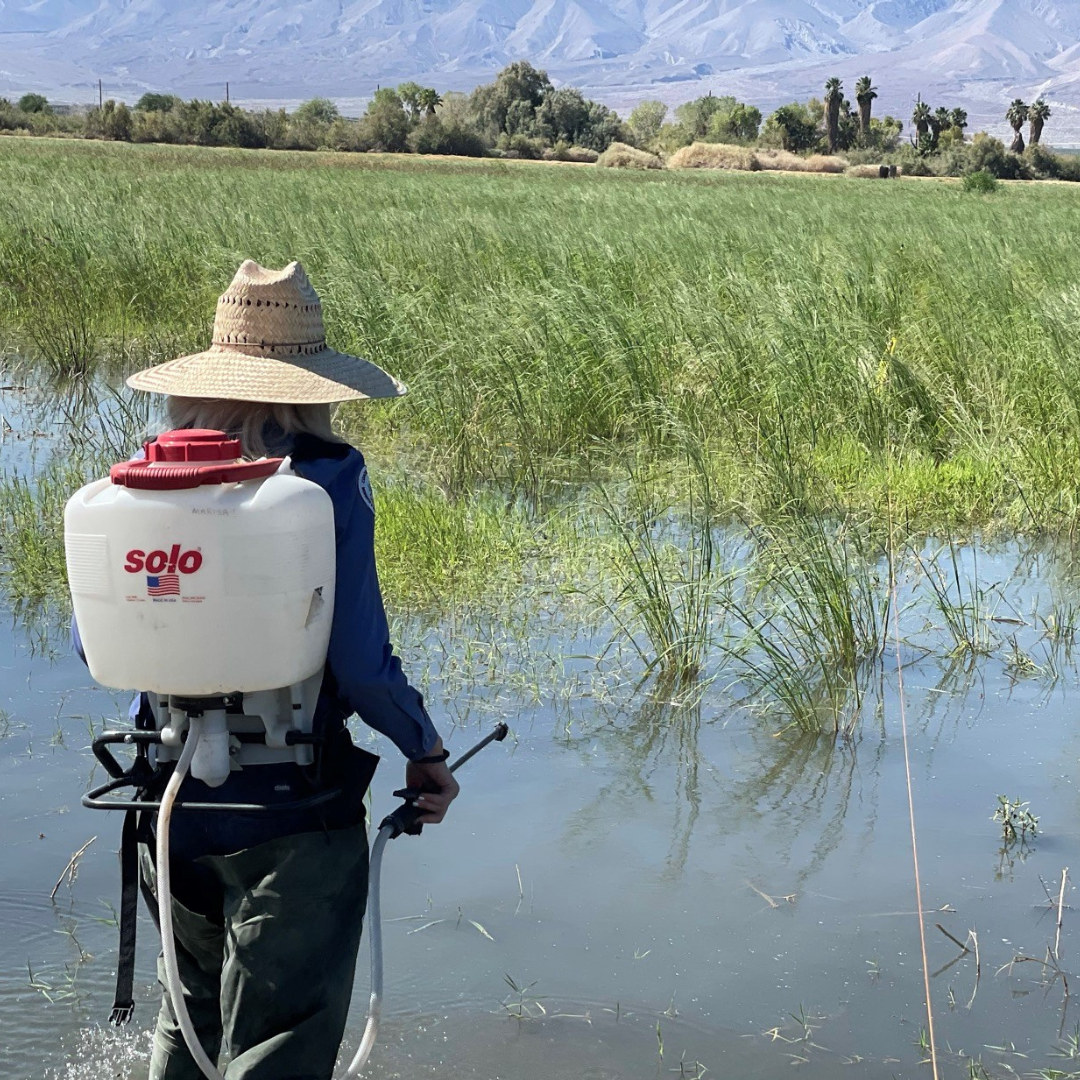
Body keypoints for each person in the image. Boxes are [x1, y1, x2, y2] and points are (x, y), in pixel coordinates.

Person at [121, 259, 460, 1080]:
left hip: (166, 808)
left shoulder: (142, 479)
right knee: (279, 1041)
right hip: (290, 809)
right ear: (309, 385)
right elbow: (358, 659)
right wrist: (426, 750)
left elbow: (103, 649)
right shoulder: (327, 482)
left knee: (188, 1024)